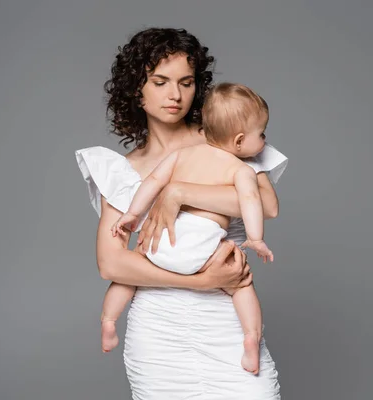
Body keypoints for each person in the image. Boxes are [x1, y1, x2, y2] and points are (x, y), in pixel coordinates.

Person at [75, 28, 287, 399]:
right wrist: (199, 282)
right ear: (136, 90)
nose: (175, 95)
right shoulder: (122, 168)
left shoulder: (227, 139)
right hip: (159, 334)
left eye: (186, 83)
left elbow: (267, 206)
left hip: (228, 323)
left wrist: (179, 192)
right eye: (160, 82)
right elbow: (112, 265)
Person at [107, 82, 277, 374]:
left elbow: (153, 183)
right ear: (238, 141)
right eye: (261, 134)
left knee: (129, 274)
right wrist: (255, 238)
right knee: (241, 286)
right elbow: (252, 201)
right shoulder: (242, 170)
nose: (264, 140)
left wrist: (133, 214)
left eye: (186, 83)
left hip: (162, 244)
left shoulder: (183, 154)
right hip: (202, 254)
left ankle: (109, 320)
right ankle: (251, 339)